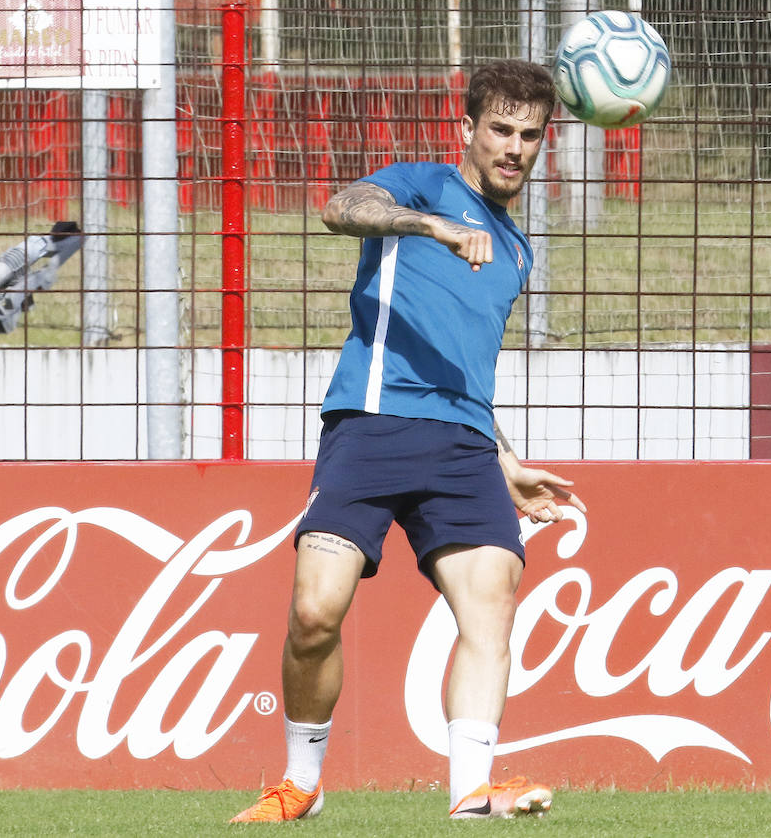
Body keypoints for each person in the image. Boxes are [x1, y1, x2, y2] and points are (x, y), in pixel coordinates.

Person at [231, 59, 584, 823]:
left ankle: (471, 793)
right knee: (315, 613)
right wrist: (431, 225)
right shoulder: (421, 184)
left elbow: (466, 367)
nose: (514, 147)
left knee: (491, 606)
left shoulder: (517, 252)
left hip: (462, 449)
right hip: (370, 425)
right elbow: (339, 208)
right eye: (500, 129)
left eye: (530, 135)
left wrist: (506, 458)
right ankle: (302, 781)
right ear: (469, 128)